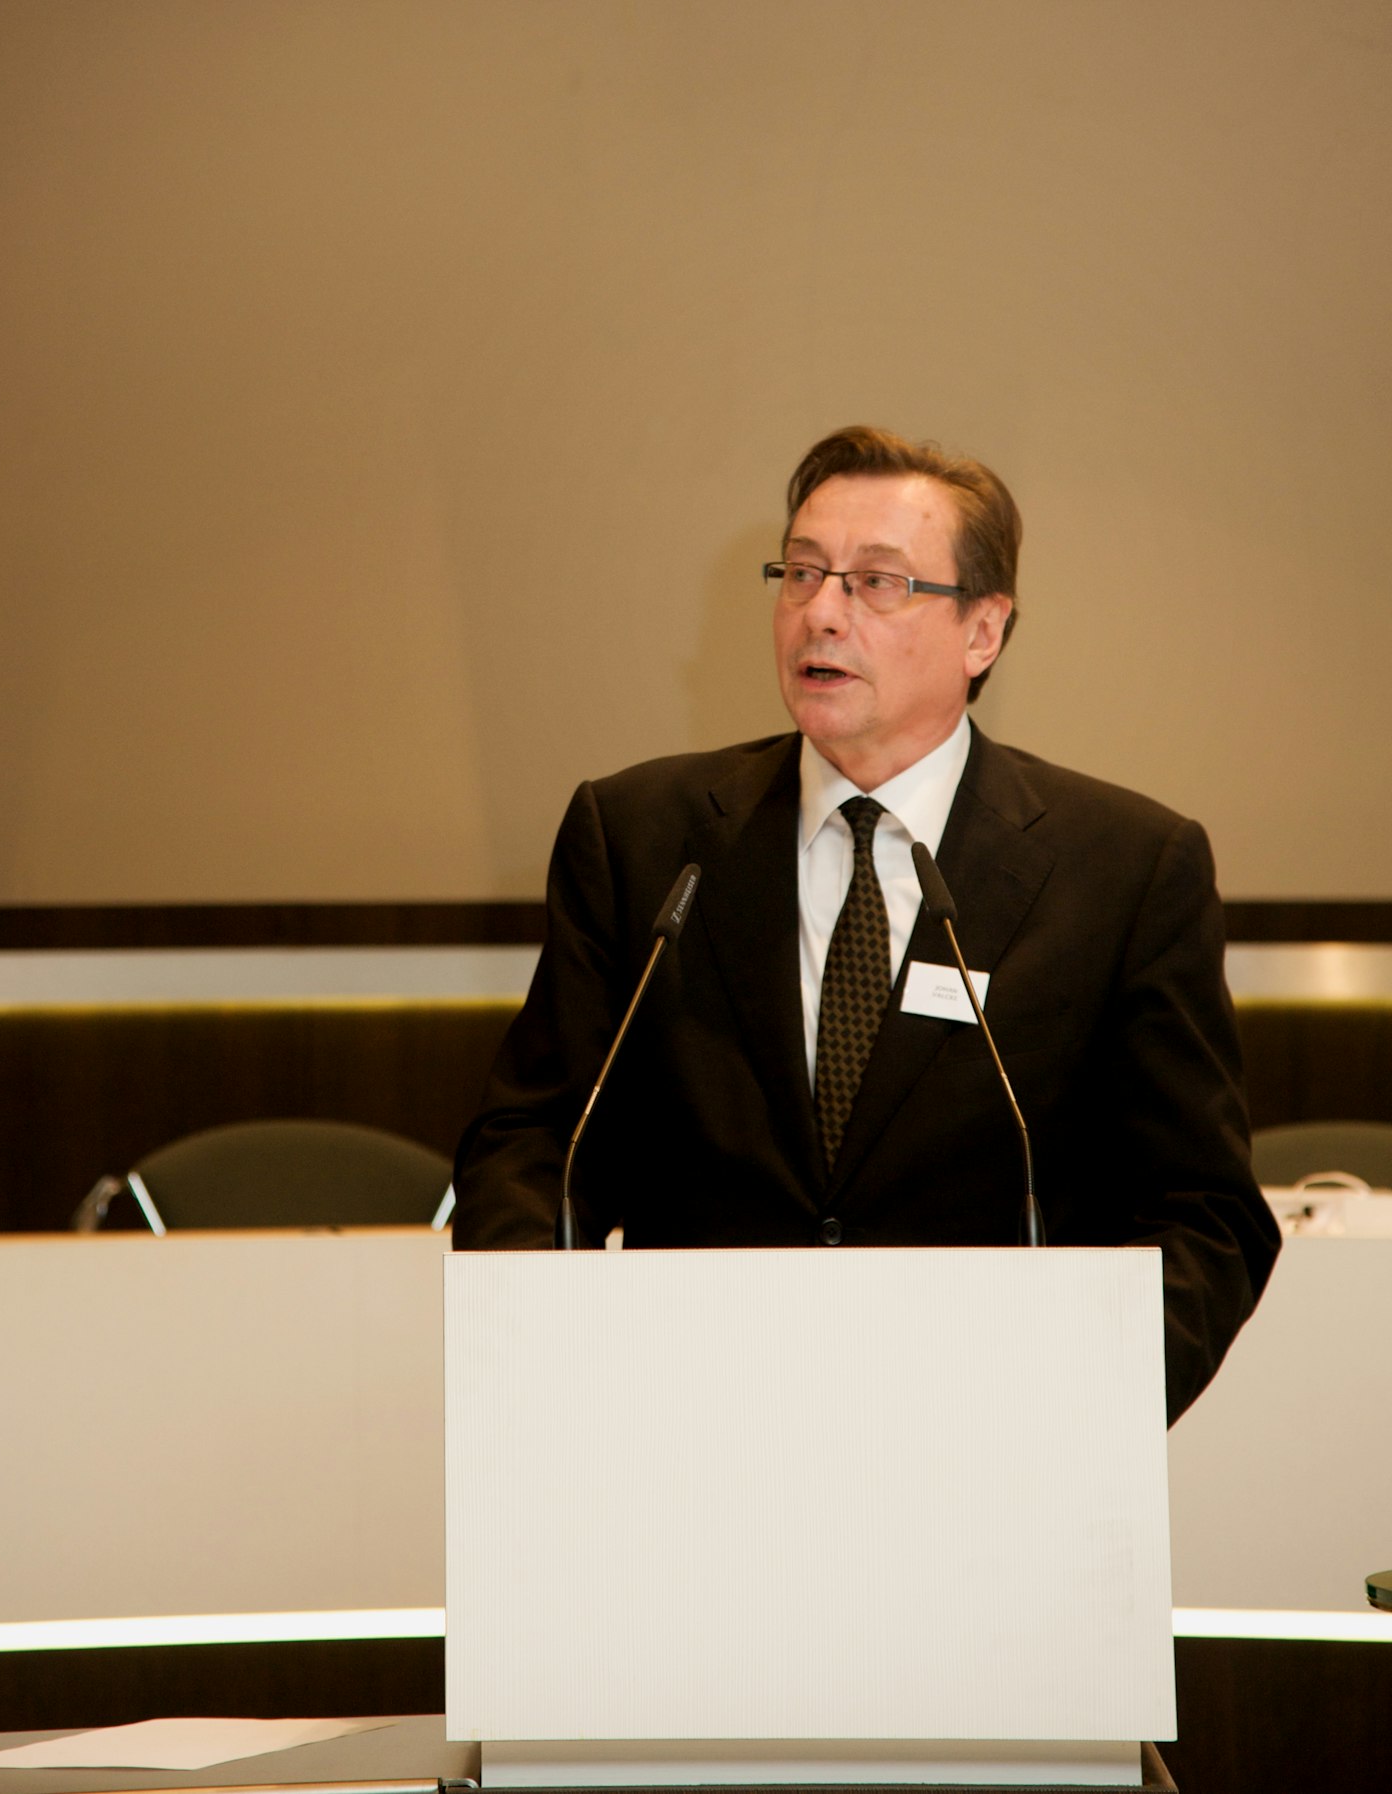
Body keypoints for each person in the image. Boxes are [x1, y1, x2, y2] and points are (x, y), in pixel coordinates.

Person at [452, 424, 1279, 1422]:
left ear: (983, 631)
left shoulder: (1125, 868)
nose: (820, 614)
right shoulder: (640, 838)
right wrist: (550, 1365)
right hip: (684, 1430)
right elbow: (535, 1143)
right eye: (800, 573)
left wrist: (1078, 1415)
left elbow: (1206, 1215)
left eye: (876, 582)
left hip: (996, 1447)